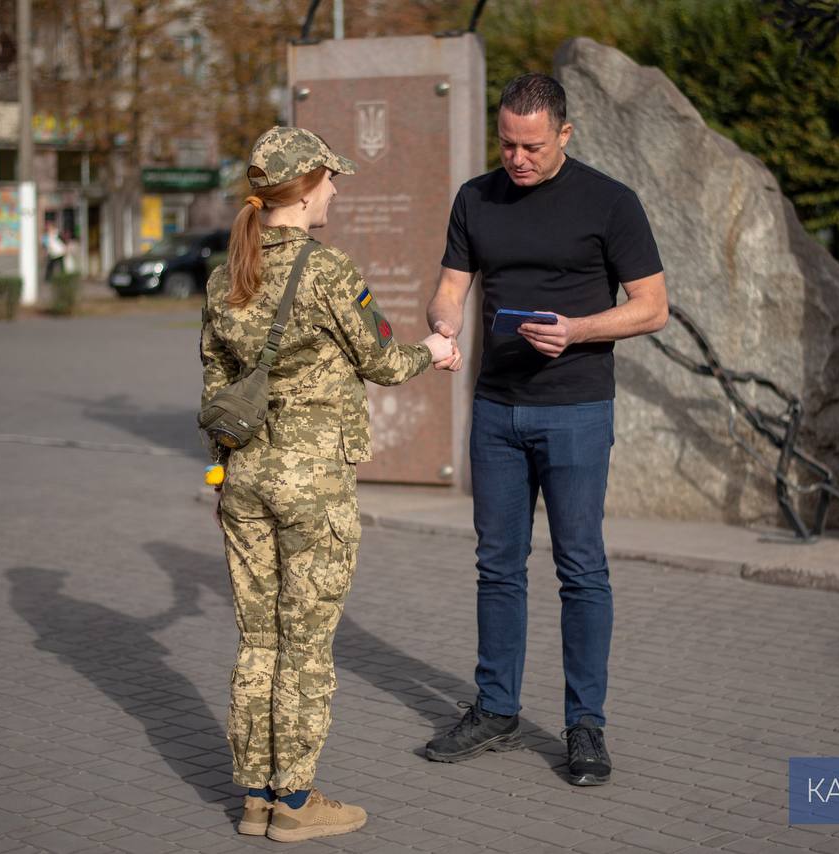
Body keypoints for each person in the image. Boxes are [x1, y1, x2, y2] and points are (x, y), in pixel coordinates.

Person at [200, 126, 453, 841]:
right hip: (312, 486)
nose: (336, 190)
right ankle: (298, 802)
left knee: (258, 641)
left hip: (244, 477)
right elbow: (379, 361)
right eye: (330, 180)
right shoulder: (328, 271)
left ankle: (254, 798)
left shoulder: (226, 276)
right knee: (305, 643)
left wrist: (224, 470)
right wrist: (433, 350)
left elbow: (216, 384)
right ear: (304, 188)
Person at [423, 73, 669, 786]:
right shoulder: (476, 197)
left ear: (564, 134)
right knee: (497, 565)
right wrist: (442, 325)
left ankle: (584, 726)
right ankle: (496, 709)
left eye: (532, 145)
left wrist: (581, 330)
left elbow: (652, 306)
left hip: (576, 409)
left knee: (580, 569)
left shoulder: (610, 202)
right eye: (507, 144)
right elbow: (450, 286)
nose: (517, 159)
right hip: (496, 409)